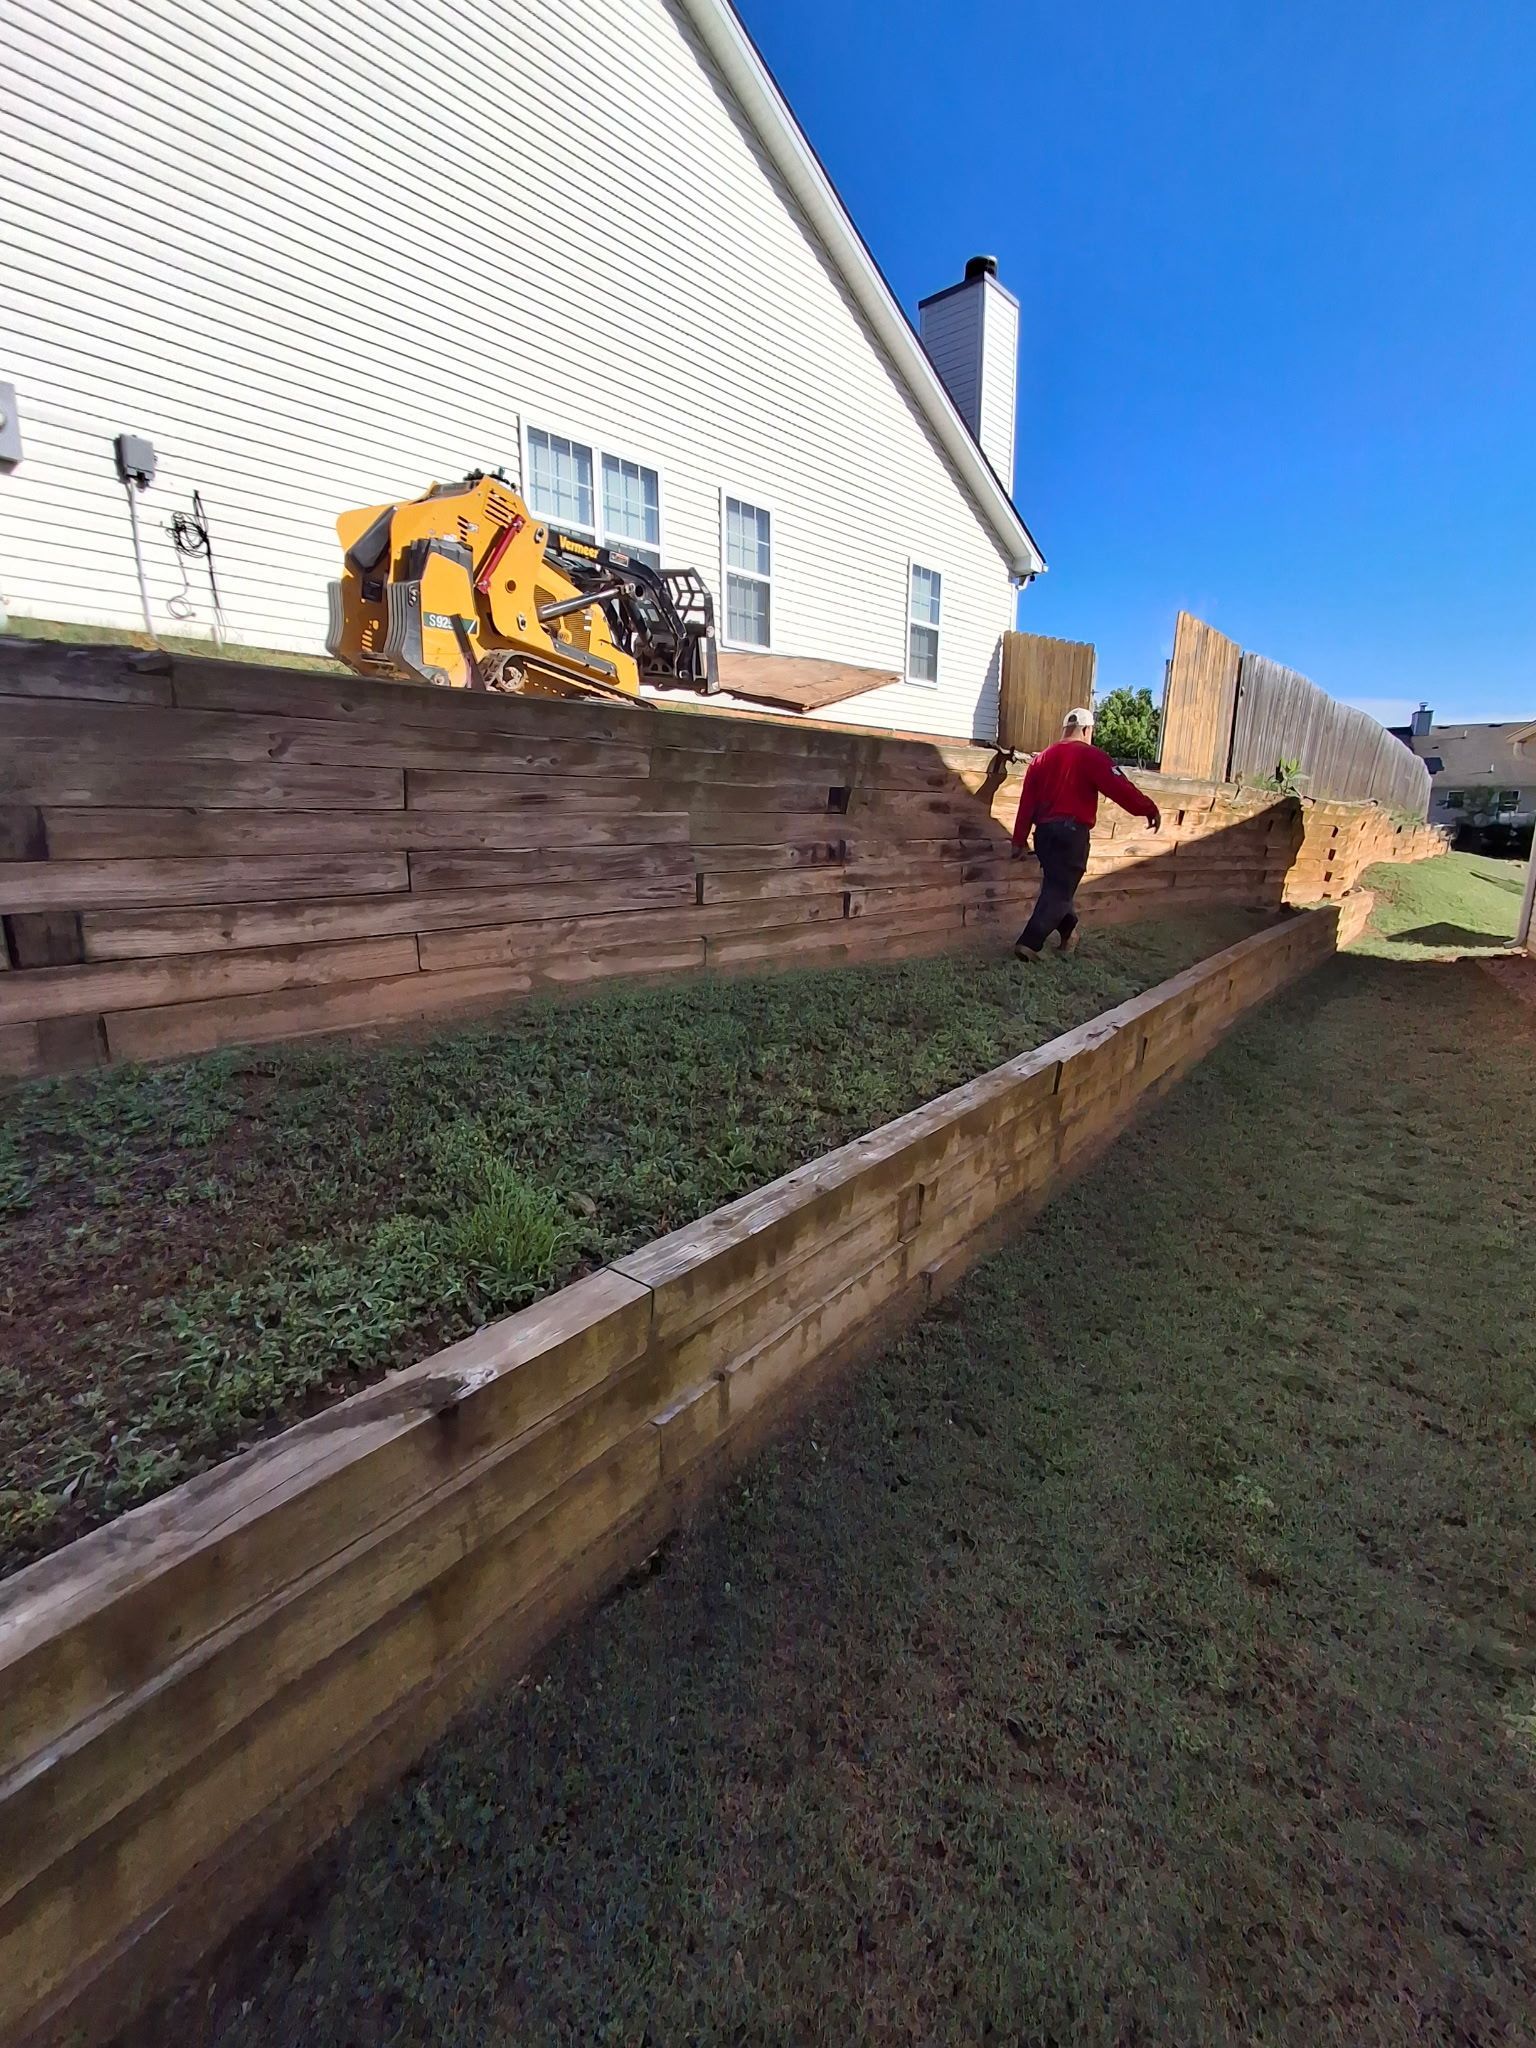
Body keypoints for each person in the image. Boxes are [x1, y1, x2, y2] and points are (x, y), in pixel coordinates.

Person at [1010, 707, 1161, 960]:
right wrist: (1147, 808)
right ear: (1087, 729)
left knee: (1057, 887)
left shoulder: (1040, 759)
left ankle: (1070, 933)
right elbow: (1119, 787)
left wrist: (1019, 839)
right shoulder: (1091, 755)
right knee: (1059, 891)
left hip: (1044, 835)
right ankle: (1029, 943)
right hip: (1071, 833)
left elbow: (1027, 802)